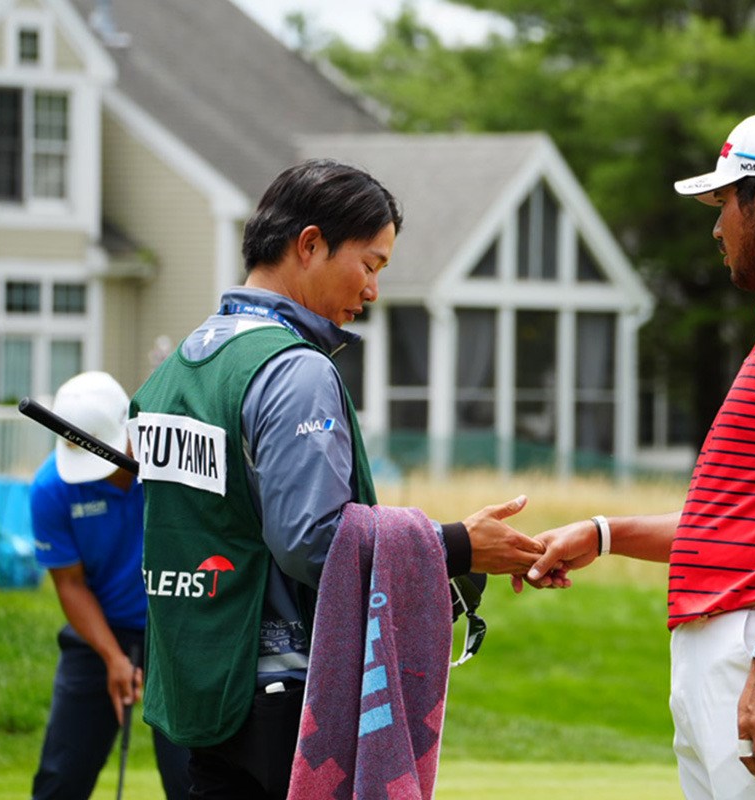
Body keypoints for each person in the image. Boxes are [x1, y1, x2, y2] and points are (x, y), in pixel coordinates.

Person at [516, 109, 755, 799]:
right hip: (753, 643)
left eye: (725, 202)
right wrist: (604, 534)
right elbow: (743, 519)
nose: (717, 226)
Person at [129, 158, 544, 799]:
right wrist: (455, 545)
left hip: (198, 687)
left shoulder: (177, 368)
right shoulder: (294, 369)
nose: (373, 291)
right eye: (371, 265)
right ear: (311, 244)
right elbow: (312, 541)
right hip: (282, 695)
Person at [29, 370, 191, 799]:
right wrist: (112, 656)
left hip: (179, 631)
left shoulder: (176, 468)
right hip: (100, 629)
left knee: (193, 779)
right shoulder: (51, 488)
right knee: (61, 777)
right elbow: (70, 583)